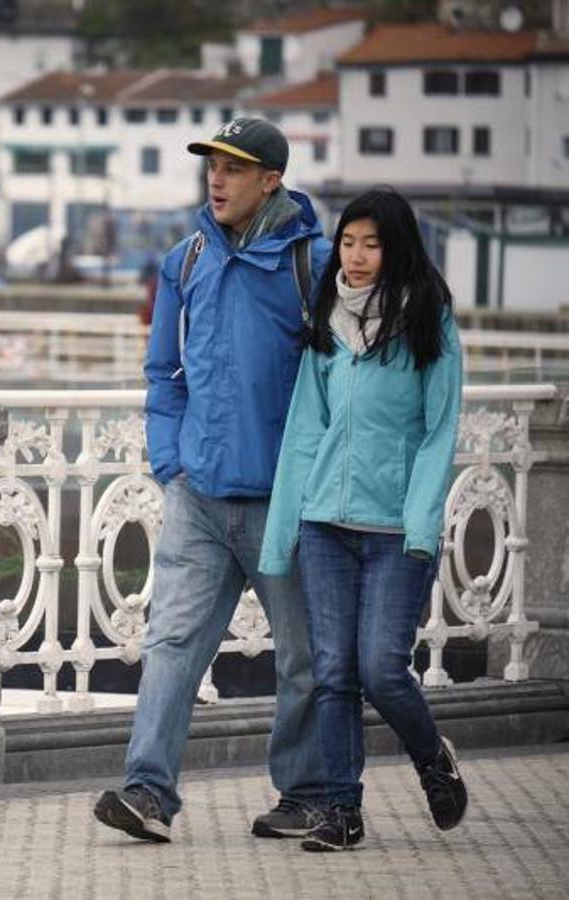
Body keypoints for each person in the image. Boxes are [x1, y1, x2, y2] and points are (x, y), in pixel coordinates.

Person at [93, 117, 332, 842]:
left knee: (302, 657)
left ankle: (307, 794)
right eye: (211, 166)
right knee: (169, 645)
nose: (216, 179)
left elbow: (344, 372)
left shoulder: (314, 263)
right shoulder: (187, 257)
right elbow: (162, 370)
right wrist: (171, 460)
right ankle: (146, 792)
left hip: (282, 500)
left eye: (233, 168)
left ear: (270, 180)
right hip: (197, 494)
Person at [259, 188, 467, 852]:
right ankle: (340, 812)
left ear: (396, 246)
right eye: (347, 242)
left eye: (370, 244)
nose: (354, 256)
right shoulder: (328, 322)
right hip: (324, 524)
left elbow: (438, 433)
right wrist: (283, 531)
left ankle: (432, 756)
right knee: (332, 672)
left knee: (380, 670)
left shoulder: (428, 322)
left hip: (392, 530)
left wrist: (419, 523)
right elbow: (303, 430)